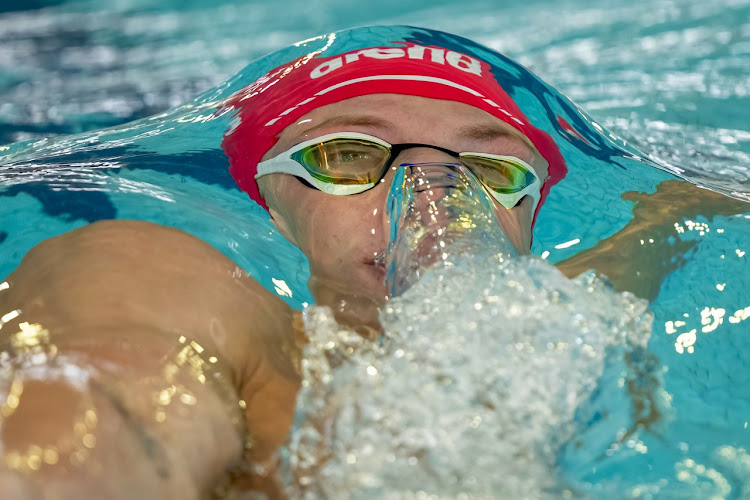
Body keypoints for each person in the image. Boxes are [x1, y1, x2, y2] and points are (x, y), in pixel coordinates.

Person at [0, 28, 747, 498]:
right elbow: (111, 406)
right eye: (348, 157)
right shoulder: (167, 276)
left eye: (491, 170)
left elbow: (684, 209)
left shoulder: (592, 304)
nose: (434, 202)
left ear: (531, 210)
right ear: (264, 196)